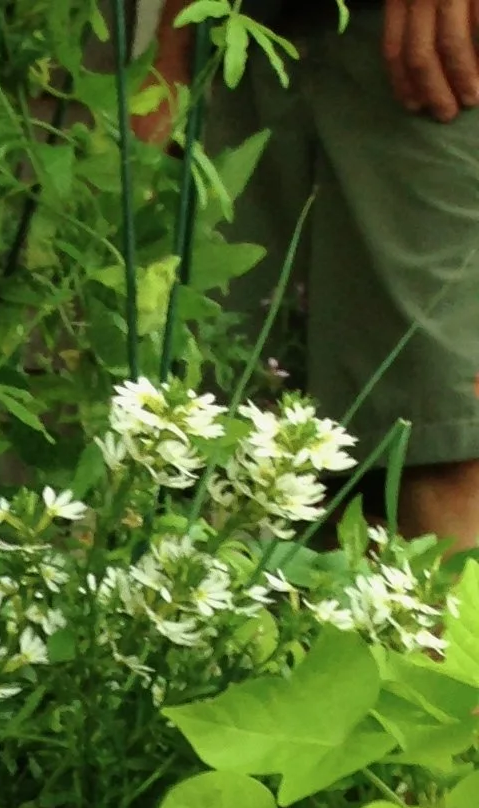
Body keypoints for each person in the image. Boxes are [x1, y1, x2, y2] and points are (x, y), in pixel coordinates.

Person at [179, 0, 479, 546]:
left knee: (438, 447)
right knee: (238, 473)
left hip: (429, 46)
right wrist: (173, 55)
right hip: (245, 36)